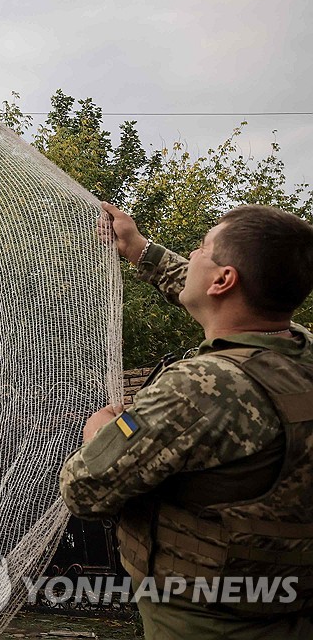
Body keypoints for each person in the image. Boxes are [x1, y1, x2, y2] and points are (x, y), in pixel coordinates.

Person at [59, 203, 313, 639]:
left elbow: (85, 489)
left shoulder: (201, 386)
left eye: (201, 248)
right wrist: (140, 250)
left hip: (206, 623)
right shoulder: (302, 349)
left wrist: (99, 432)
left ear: (223, 280)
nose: (192, 255)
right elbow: (222, 298)